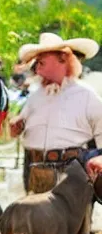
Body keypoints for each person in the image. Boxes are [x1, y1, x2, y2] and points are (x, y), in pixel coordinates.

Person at [10, 33, 102, 194]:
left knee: (73, 219)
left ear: (63, 59)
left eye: (42, 60)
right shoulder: (36, 95)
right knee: (35, 219)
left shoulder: (86, 94)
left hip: (71, 175)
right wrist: (18, 124)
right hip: (36, 173)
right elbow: (21, 124)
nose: (37, 66)